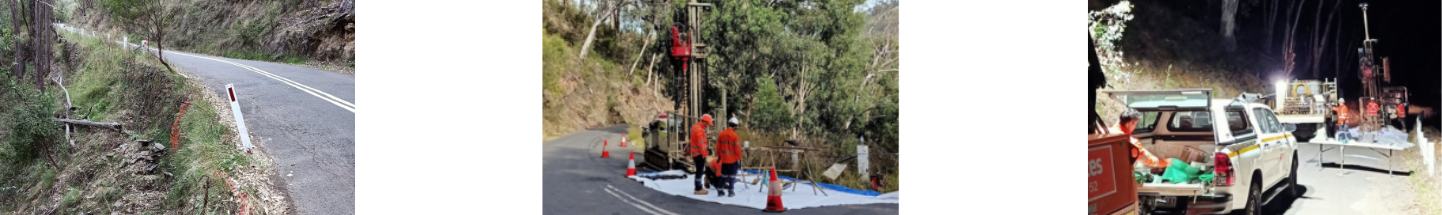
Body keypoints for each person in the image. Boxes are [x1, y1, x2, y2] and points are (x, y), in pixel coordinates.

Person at [716, 117, 743, 197]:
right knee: (732, 176)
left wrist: (719, 156)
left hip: (724, 159)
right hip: (732, 160)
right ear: (735, 127)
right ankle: (731, 191)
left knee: (723, 175)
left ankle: (720, 190)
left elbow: (718, 147)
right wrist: (739, 159)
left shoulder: (721, 134)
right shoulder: (735, 136)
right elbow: (737, 149)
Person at [690, 114, 714, 195]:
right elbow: (701, 144)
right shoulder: (699, 130)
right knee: (699, 171)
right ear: (705, 122)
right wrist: (704, 154)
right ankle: (698, 188)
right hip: (699, 154)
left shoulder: (695, 127)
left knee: (699, 171)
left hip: (696, 153)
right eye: (708, 124)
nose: (708, 126)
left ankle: (699, 186)